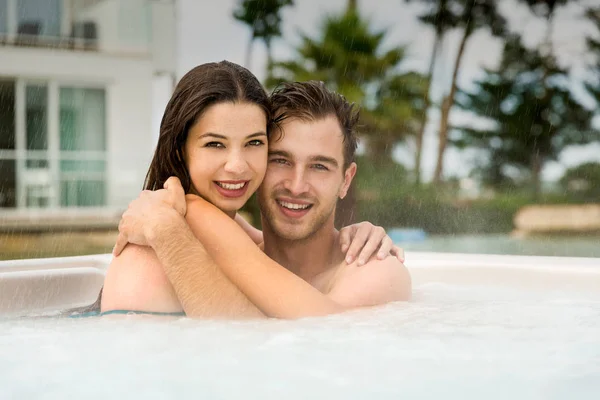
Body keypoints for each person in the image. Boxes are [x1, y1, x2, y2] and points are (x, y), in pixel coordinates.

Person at [106, 74, 411, 319]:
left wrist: (184, 215)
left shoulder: (376, 270)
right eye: (280, 159)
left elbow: (321, 341)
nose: (296, 184)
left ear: (346, 180)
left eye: (319, 166)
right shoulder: (153, 263)